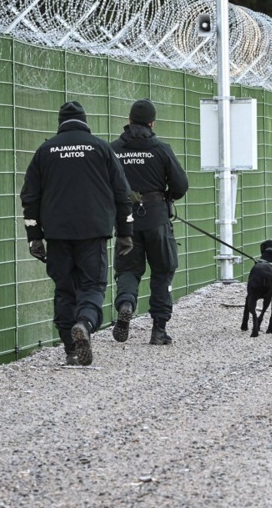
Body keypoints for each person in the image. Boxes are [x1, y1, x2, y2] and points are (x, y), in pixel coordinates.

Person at [20, 100, 134, 365]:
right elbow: (122, 193)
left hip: (57, 234)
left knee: (64, 288)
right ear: (85, 121)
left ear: (60, 123)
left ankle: (71, 348)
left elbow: (30, 197)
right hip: (93, 231)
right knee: (92, 284)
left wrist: (34, 236)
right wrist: (125, 231)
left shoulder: (45, 151)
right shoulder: (101, 148)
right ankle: (84, 323)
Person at [110, 99, 189, 345]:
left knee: (128, 269)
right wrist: (166, 198)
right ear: (152, 123)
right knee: (163, 270)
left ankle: (126, 304)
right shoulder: (160, 149)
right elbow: (181, 185)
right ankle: (158, 329)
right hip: (156, 217)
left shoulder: (113, 150)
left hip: (126, 220)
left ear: (130, 120)